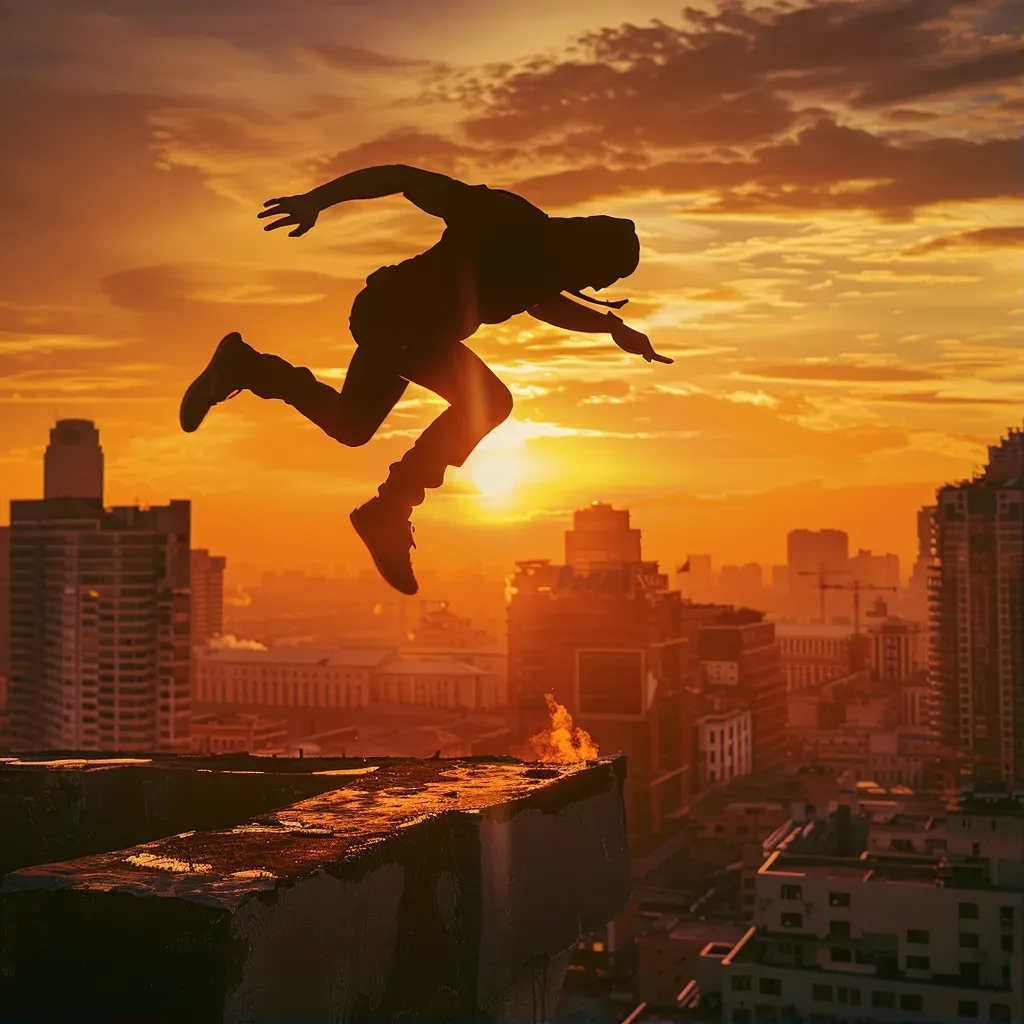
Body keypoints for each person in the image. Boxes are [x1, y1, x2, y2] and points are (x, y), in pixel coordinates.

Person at [179, 164, 672, 595]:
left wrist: (611, 326)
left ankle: (243, 365)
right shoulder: (502, 218)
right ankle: (388, 509)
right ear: (583, 251)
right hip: (394, 318)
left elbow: (545, 302)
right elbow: (401, 177)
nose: (587, 290)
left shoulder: (545, 266)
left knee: (352, 427)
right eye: (594, 280)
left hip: (414, 335)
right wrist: (316, 201)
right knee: (491, 403)